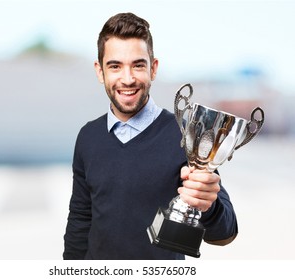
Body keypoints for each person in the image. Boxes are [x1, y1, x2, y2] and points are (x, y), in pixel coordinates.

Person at [63, 12, 238, 260]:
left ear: (153, 69)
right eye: (115, 66)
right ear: (100, 71)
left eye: (138, 65)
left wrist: (208, 205)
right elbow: (80, 221)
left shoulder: (184, 135)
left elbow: (225, 232)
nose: (127, 78)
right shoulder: (88, 137)